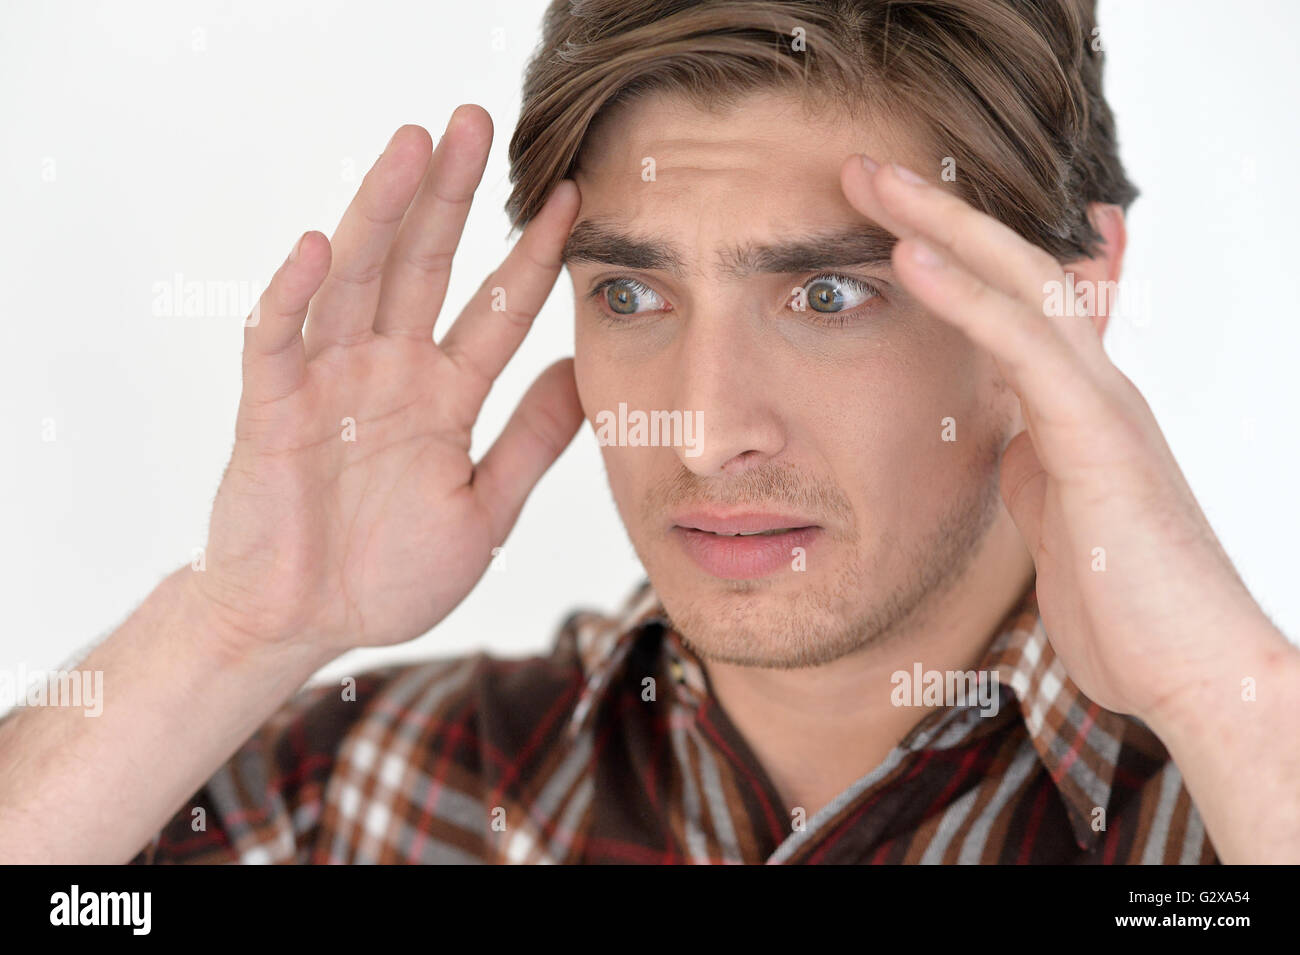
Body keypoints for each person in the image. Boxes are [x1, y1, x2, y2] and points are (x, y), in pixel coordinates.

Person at [2, 0, 1296, 864]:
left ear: (1073, 289)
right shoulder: (375, 788)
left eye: (829, 293)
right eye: (631, 292)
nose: (706, 429)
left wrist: (1230, 711)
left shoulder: (1223, 815)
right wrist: (242, 631)